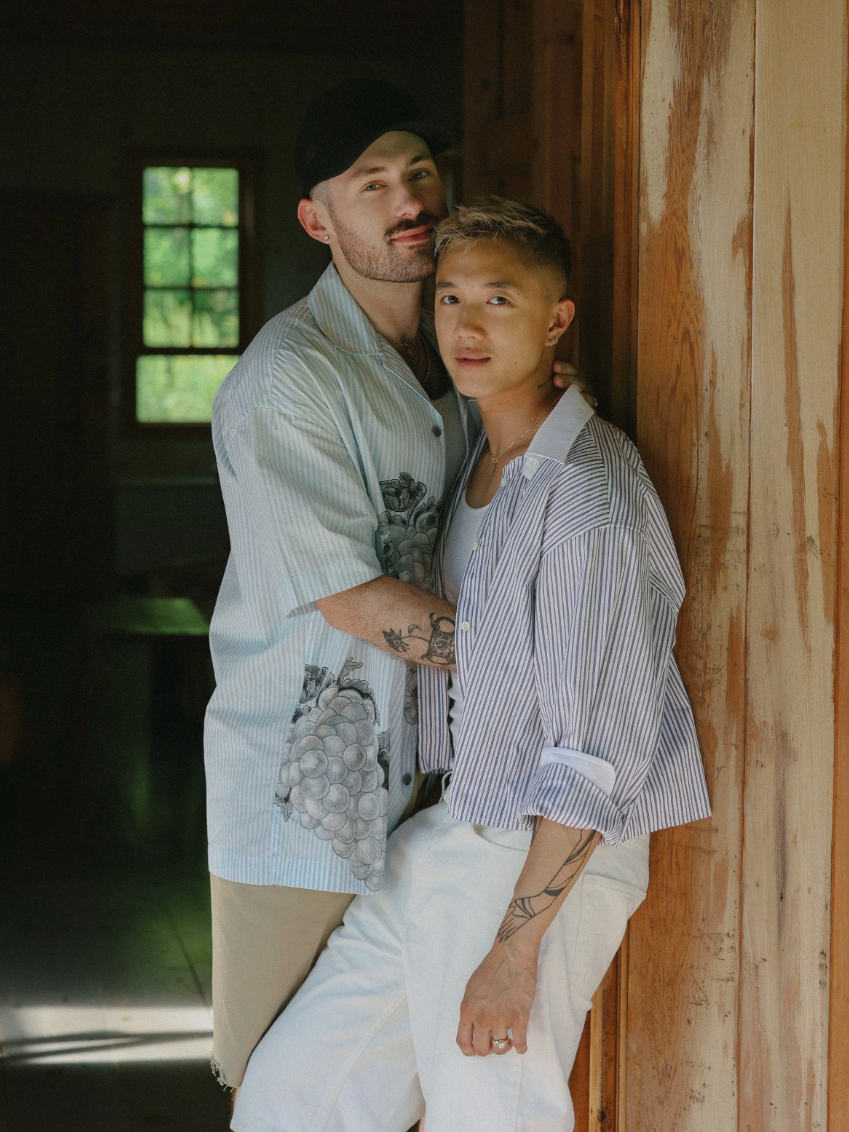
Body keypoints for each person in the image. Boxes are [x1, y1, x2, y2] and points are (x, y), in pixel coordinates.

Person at [232, 198, 712, 1132]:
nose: (467, 324)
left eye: (499, 299)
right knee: (293, 1101)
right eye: (450, 298)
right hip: (452, 831)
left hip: (536, 852)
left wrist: (515, 949)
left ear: (555, 318)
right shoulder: (485, 461)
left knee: (491, 1116)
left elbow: (592, 757)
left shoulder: (586, 499)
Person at [205, 83, 578, 1094]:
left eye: (418, 171)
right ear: (317, 220)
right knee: (286, 1080)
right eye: (369, 184)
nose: (407, 198)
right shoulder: (288, 378)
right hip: (304, 801)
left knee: (409, 1070)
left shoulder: (456, 353)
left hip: (435, 778)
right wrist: (555, 668)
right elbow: (355, 600)